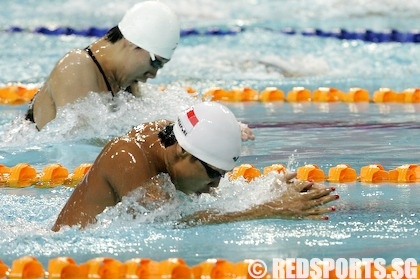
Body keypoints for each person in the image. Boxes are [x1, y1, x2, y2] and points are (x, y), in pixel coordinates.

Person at [52, 102, 338, 231]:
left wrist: (267, 192)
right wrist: (268, 209)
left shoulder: (171, 138)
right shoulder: (128, 159)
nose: (215, 186)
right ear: (182, 153)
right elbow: (170, 223)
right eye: (212, 174)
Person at [26, 1, 180, 130]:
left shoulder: (126, 83)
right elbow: (80, 146)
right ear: (133, 43)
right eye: (155, 62)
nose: (153, 74)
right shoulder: (76, 67)